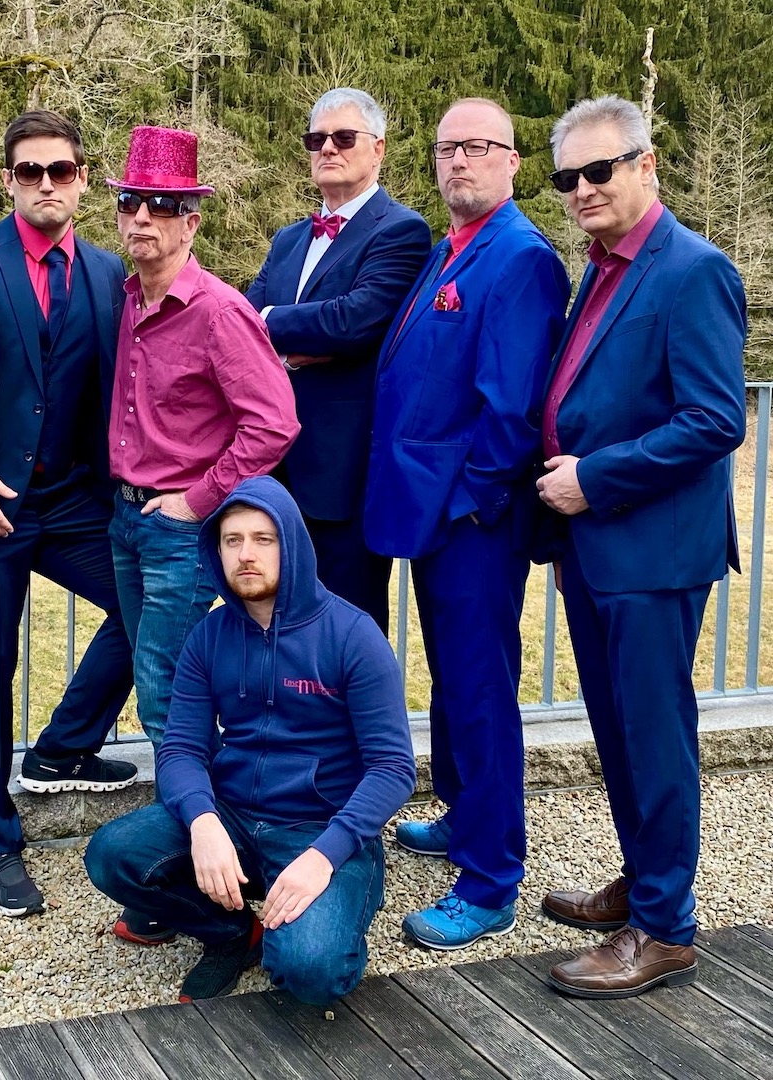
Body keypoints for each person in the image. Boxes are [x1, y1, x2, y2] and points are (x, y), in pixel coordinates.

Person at [535, 95, 747, 998]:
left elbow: (716, 419)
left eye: (600, 169)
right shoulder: (601, 268)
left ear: (646, 165)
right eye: (567, 177)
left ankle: (665, 929)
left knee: (654, 736)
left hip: (651, 551)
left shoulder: (692, 270)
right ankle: (643, 881)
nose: (582, 188)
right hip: (596, 548)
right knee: (619, 732)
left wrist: (595, 477)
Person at [84, 476, 416, 1004]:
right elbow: (182, 748)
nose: (246, 554)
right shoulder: (209, 635)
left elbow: (393, 768)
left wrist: (324, 856)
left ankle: (332, 907)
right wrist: (203, 822)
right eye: (232, 540)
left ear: (293, 544)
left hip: (318, 827)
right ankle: (233, 934)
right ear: (216, 550)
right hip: (232, 814)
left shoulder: (353, 635)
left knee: (310, 971)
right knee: (112, 854)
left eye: (264, 539)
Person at [364, 98, 569, 949]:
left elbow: (511, 410)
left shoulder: (520, 258)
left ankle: (490, 879)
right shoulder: (452, 248)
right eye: (448, 147)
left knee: (481, 691)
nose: (459, 161)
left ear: (512, 161)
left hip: (473, 519)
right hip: (432, 513)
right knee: (452, 680)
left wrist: (468, 504)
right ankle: (461, 815)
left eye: (479, 147)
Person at [0, 111, 136, 919]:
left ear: (83, 178)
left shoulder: (109, 273)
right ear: (8, 180)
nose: (46, 183)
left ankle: (63, 748)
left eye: (60, 170)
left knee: (156, 601)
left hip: (75, 500)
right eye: (29, 171)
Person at [104, 127, 300, 945]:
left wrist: (198, 500)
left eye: (163, 205)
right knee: (159, 692)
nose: (143, 217)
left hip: (178, 533)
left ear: (191, 221)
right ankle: (182, 867)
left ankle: (200, 888)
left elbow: (274, 423)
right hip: (127, 519)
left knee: (169, 705)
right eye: (131, 202)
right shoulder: (130, 297)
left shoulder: (219, 311)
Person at [245, 88, 431, 631]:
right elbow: (241, 322)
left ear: (378, 148)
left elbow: (354, 320)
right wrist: (290, 343)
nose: (328, 148)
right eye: (316, 139)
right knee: (271, 627)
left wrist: (272, 323)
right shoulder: (287, 240)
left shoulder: (401, 230)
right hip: (271, 469)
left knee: (347, 631)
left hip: (344, 478)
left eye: (343, 137)